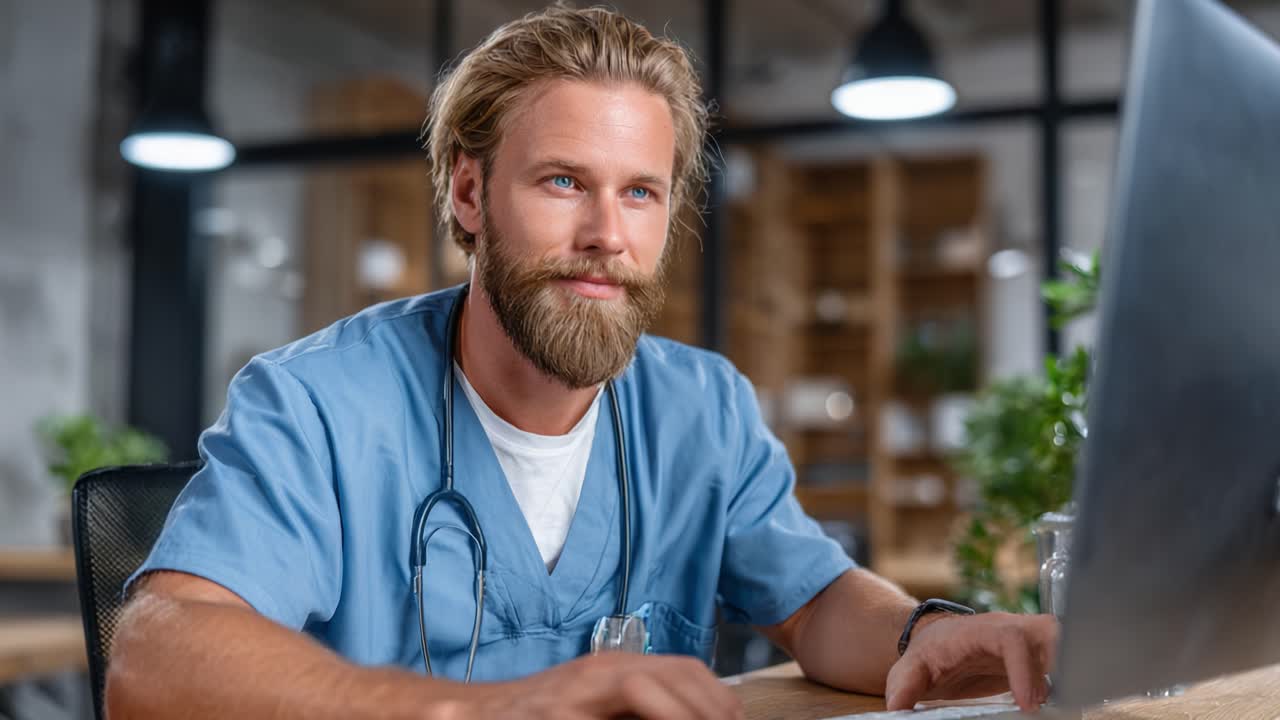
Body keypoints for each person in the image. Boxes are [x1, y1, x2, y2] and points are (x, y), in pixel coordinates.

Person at [107, 6, 1057, 719]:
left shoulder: (702, 408)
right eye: (563, 181)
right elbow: (152, 656)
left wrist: (926, 633)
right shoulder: (318, 403)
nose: (607, 234)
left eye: (641, 193)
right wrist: (479, 709)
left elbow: (814, 606)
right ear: (471, 194)